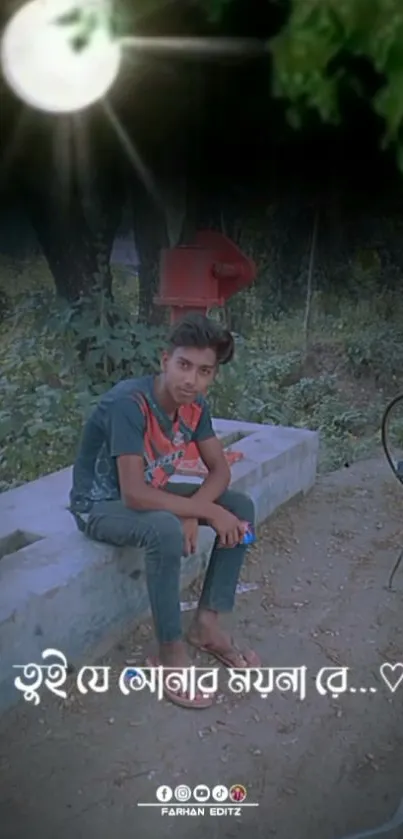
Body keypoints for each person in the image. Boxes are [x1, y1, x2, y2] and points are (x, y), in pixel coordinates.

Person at [69, 312, 260, 708]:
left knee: (239, 507)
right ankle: (170, 653)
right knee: (164, 529)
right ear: (164, 361)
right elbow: (135, 494)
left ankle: (207, 624)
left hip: (150, 490)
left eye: (204, 371)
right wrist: (191, 510)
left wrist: (195, 510)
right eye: (184, 365)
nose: (191, 379)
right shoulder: (129, 403)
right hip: (102, 504)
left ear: (212, 376)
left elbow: (220, 469)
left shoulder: (194, 407)